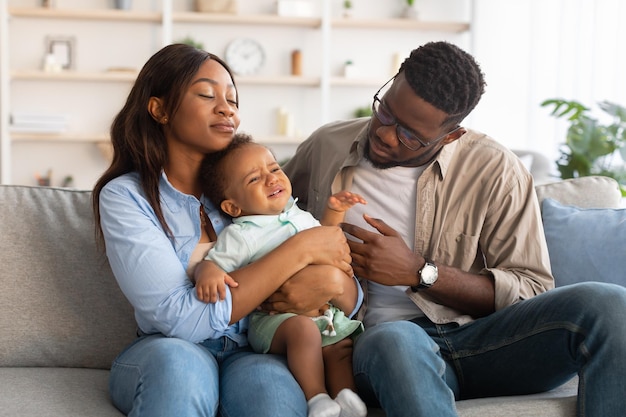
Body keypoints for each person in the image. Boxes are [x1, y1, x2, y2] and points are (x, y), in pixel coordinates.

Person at [282, 40, 626, 417]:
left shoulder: (496, 170)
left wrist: (420, 273)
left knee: (610, 304)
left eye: (409, 135)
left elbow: (530, 291)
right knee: (397, 339)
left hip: (485, 343)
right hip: (381, 344)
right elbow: (262, 215)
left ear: (451, 135)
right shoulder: (326, 146)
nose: (385, 134)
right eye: (385, 113)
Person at [91, 43, 361, 417]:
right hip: (170, 347)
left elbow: (339, 281)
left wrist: (335, 282)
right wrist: (300, 251)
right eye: (206, 95)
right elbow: (180, 319)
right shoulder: (126, 197)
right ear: (160, 109)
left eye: (232, 99)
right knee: (179, 372)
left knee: (274, 398)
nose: (226, 108)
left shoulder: (252, 188)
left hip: (256, 347)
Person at [196, 133, 367, 417]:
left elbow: (324, 240)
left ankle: (345, 398)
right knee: (304, 333)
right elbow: (214, 262)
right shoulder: (242, 234)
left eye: (274, 169)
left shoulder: (298, 214)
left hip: (323, 311)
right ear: (232, 207)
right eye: (254, 179)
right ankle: (317, 398)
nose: (271, 178)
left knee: (340, 347)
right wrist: (207, 272)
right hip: (276, 322)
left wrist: (333, 213)